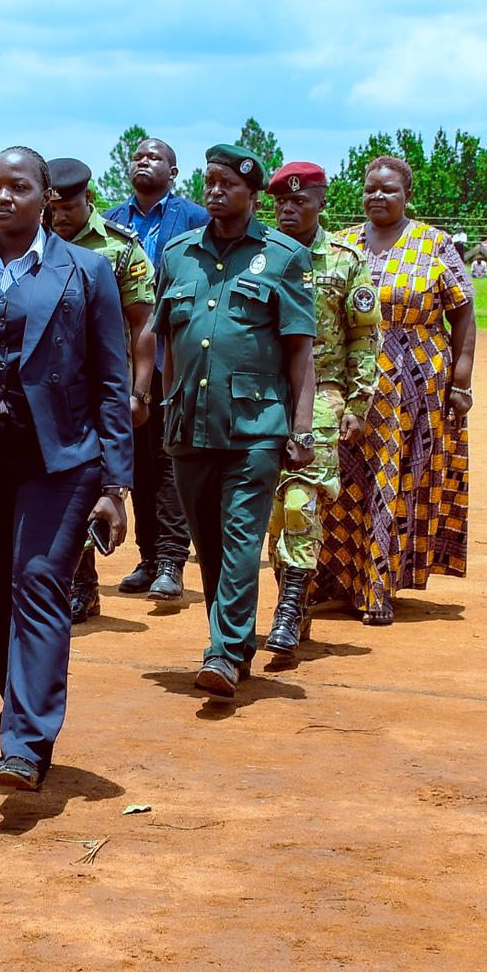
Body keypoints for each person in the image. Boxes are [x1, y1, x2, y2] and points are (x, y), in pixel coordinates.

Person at [0, 149, 131, 787]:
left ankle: (26, 742)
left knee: (37, 581)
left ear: (46, 198)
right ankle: (22, 715)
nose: (2, 197)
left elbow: (111, 380)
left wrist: (116, 484)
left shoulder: (87, 272)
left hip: (61, 462)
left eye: (18, 186)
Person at [154, 146, 314, 700]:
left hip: (256, 426)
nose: (215, 191)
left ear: (251, 193)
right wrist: (167, 400)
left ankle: (222, 652)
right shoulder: (176, 256)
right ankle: (237, 642)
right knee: (211, 544)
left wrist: (301, 427)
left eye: (227, 183)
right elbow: (169, 340)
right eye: (209, 182)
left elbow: (300, 352)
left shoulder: (284, 257)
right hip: (189, 425)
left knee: (243, 537)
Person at [314, 155, 473, 627]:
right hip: (350, 383)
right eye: (370, 189)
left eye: (389, 190)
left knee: (395, 481)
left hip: (417, 386)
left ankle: (379, 588)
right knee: (339, 483)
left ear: (406, 196)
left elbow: (463, 313)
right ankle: (336, 580)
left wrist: (462, 382)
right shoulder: (343, 246)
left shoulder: (434, 244)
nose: (377, 196)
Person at [260, 160, 377, 661]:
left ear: (321, 203)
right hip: (264, 397)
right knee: (269, 511)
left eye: (299, 201)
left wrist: (359, 402)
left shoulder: (346, 261)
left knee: (300, 504)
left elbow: (365, 336)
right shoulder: (259, 256)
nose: (288, 209)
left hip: (325, 396)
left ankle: (287, 612)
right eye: (281, 202)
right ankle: (297, 606)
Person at [42, 155, 155, 622]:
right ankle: (77, 584)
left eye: (69, 207)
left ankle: (83, 584)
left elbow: (143, 324)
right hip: (48, 390)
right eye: (54, 208)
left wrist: (140, 392)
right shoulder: (33, 242)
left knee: (93, 484)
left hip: (103, 390)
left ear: (89, 199)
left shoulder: (120, 250)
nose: (60, 217)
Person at [106, 138, 208, 604]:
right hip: (120, 364)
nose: (143, 161)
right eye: (138, 156)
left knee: (170, 460)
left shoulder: (192, 219)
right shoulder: (113, 221)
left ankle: (171, 559)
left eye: (155, 158)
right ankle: (148, 559)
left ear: (174, 171)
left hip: (174, 359)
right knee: (137, 464)